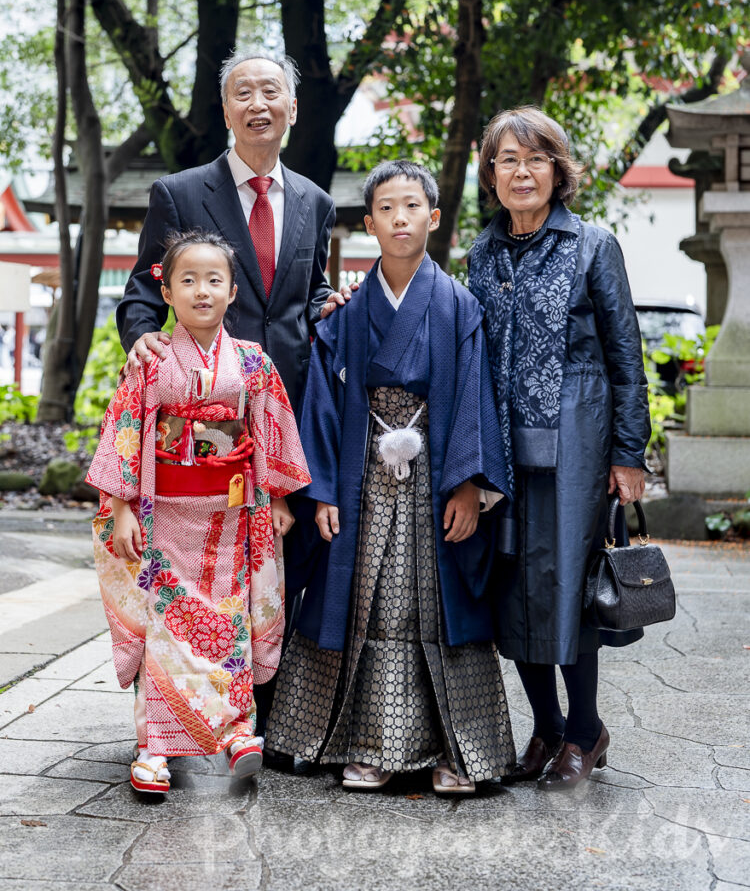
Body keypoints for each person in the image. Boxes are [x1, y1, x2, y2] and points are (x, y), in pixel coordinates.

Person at [265, 161, 515, 794]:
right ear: (369, 223)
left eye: (412, 207)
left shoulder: (459, 305)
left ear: (434, 218)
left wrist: (468, 485)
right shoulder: (347, 314)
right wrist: (321, 490)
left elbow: (476, 398)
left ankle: (455, 751)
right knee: (367, 600)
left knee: (434, 602)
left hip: (437, 472)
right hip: (362, 475)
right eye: (386, 208)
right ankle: (366, 744)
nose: (400, 219)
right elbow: (322, 405)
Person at [87, 231, 310, 795]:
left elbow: (270, 430)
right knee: (163, 629)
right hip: (162, 517)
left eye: (214, 280)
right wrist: (122, 507)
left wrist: (278, 497)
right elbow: (125, 431)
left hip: (231, 519)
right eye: (188, 280)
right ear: (167, 292)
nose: (202, 291)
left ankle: (237, 731)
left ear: (233, 291)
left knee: (229, 624)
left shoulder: (253, 361)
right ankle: (154, 747)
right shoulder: (151, 359)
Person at [468, 106, 650, 791]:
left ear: (557, 170)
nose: (522, 172)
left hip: (576, 442)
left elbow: (625, 355)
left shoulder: (592, 245)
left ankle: (584, 730)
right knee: (512, 588)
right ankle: (545, 726)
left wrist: (628, 452)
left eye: (535, 159)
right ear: (491, 174)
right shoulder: (482, 253)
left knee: (568, 587)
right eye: (508, 160)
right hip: (502, 445)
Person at [116, 50, 335, 414]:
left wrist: (327, 304)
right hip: (204, 393)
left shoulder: (317, 202)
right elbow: (145, 288)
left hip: (291, 394)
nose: (257, 104)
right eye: (243, 93)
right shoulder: (178, 194)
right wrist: (141, 336)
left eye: (270, 91)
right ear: (227, 114)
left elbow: (311, 288)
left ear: (293, 109)